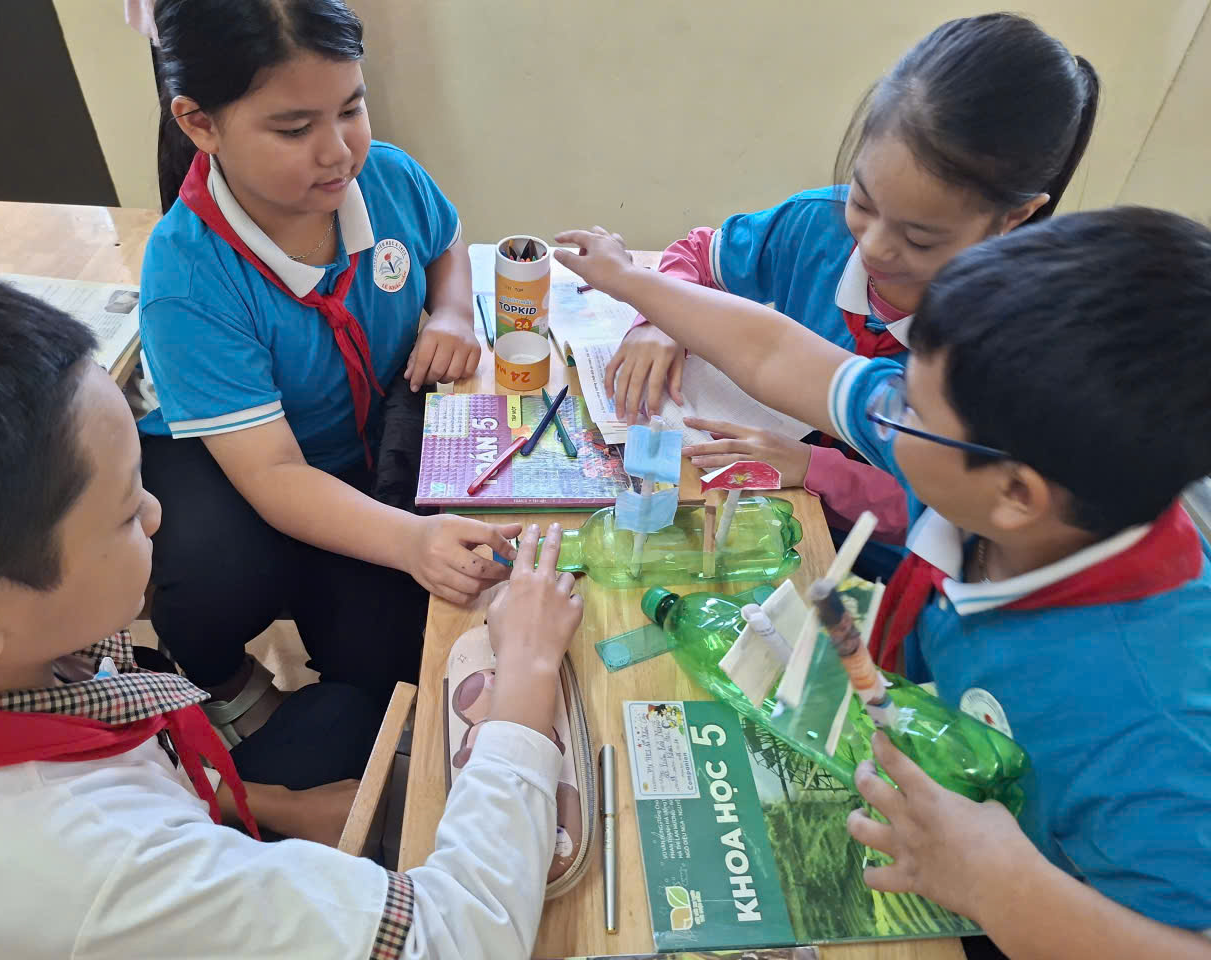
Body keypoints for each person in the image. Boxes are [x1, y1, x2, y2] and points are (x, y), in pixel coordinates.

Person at [555, 210, 1211, 959]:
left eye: (908, 408)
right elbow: (776, 352)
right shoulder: (998, 468)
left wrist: (1003, 885)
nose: (881, 413)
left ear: (1015, 494)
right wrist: (630, 281)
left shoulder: (1155, 722)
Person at [0, 263, 583, 958]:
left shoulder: (11, 657)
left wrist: (284, 808)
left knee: (341, 714)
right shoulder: (90, 865)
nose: (156, 515)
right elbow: (455, 938)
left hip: (188, 804)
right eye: (125, 511)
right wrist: (525, 675)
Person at [135, 0, 518, 764]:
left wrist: (451, 313)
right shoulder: (186, 276)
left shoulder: (388, 176)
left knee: (393, 663)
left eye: (351, 108)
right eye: (293, 128)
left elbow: (445, 242)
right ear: (200, 123)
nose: (338, 152)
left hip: (365, 442)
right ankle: (222, 683)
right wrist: (410, 540)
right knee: (212, 573)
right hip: (251, 463)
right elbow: (274, 474)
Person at [605, 14, 1097, 576]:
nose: (874, 248)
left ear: (1016, 216)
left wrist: (814, 467)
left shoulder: (1005, 349)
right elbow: (699, 256)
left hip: (872, 565)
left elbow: (960, 512)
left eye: (919, 238)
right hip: (755, 503)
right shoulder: (818, 225)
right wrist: (662, 317)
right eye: (864, 202)